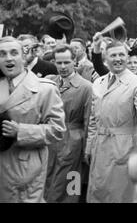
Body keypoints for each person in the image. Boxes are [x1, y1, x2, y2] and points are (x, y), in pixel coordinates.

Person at [85, 40, 137, 203]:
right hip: (100, 148)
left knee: (125, 196)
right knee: (99, 193)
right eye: (113, 55)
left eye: (121, 54)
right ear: (105, 59)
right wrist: (89, 146)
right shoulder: (98, 83)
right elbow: (94, 119)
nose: (118, 59)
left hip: (127, 149)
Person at [0, 36, 66, 202]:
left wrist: (21, 131)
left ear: (24, 57)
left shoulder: (44, 89)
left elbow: (57, 130)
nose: (8, 58)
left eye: (14, 53)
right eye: (2, 54)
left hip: (26, 169)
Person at [45, 45, 92, 203]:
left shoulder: (86, 87)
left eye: (67, 62)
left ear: (75, 61)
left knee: (70, 183)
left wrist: (87, 149)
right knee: (47, 180)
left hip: (73, 142)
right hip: (49, 139)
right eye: (59, 63)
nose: (63, 67)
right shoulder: (49, 82)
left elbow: (88, 122)